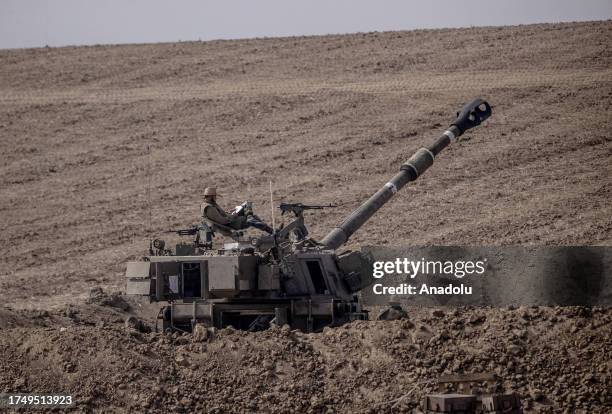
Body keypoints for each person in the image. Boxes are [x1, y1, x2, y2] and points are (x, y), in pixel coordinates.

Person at [200, 187, 273, 235]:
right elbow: (223, 221)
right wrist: (233, 216)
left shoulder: (211, 204)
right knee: (251, 217)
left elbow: (220, 215)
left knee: (247, 206)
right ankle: (271, 231)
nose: (216, 198)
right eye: (215, 196)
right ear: (211, 196)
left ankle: (269, 229)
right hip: (232, 224)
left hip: (231, 220)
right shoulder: (209, 208)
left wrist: (229, 213)